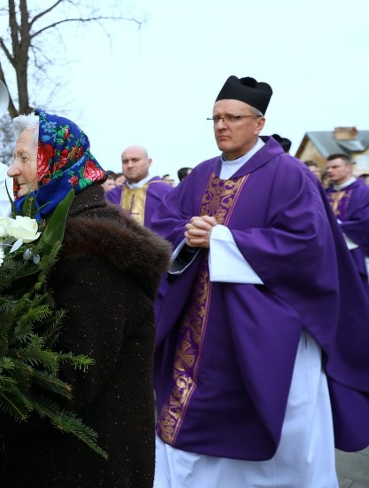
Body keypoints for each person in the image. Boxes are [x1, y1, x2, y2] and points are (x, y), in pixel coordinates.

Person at [150, 75, 369, 487]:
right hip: (199, 332)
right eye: (215, 117)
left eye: (232, 117)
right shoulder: (200, 174)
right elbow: (164, 222)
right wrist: (188, 233)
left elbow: (307, 247)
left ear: (259, 122)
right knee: (189, 431)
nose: (221, 125)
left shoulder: (289, 175)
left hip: (264, 330)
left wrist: (224, 239)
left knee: (278, 430)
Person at [0, 110, 170, 487]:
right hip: (56, 457)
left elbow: (66, 381)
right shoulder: (52, 227)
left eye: (23, 158)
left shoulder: (94, 252)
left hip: (81, 465)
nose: (11, 171)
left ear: (56, 162)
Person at [326, 153, 369, 287]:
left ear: (349, 168)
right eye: (328, 168)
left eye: (335, 167)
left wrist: (338, 226)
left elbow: (365, 221)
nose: (330, 171)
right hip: (329, 250)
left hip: (354, 248)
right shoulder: (325, 192)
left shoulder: (363, 192)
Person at [105, 145, 172, 228]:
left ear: (149, 162)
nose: (129, 165)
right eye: (125, 161)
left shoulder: (167, 193)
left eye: (135, 160)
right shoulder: (111, 196)